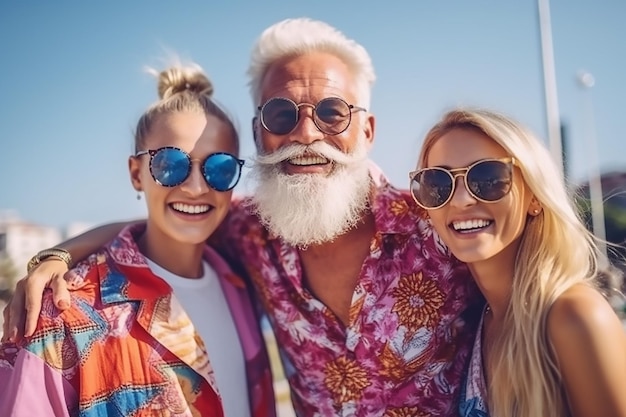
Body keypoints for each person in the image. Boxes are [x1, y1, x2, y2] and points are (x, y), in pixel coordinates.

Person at [3, 18, 481, 416]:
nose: (306, 133)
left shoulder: (438, 225)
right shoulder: (250, 233)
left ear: (368, 129)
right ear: (258, 134)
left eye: (333, 112)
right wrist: (58, 255)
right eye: (280, 114)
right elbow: (159, 223)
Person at [0, 62, 275, 417]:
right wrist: (56, 257)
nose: (195, 187)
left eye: (220, 168)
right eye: (171, 165)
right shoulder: (62, 313)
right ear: (136, 173)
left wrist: (59, 252)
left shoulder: (241, 281)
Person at [409, 108, 626, 417]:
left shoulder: (575, 317)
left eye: (488, 178)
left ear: (535, 196)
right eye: (437, 183)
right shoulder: (474, 323)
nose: (460, 200)